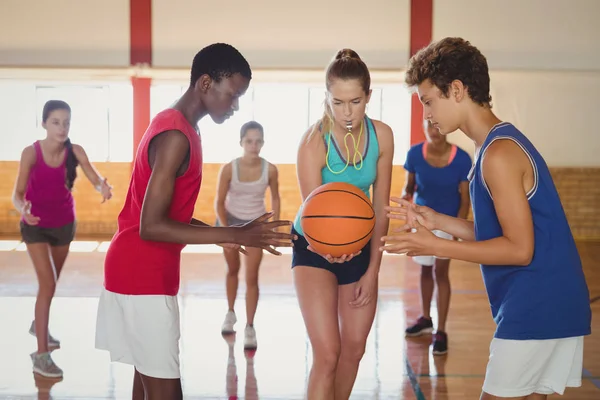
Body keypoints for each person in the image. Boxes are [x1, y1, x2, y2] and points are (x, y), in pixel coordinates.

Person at [381, 37, 591, 400]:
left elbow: (519, 249)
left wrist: (433, 246)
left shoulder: (499, 154)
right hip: (547, 301)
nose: (426, 115)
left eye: (428, 102)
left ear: (458, 90)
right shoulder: (488, 147)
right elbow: (498, 232)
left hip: (538, 303)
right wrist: (439, 222)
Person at [94, 43, 295, 400]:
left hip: (140, 270)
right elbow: (151, 225)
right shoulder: (174, 135)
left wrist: (222, 235)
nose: (235, 106)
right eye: (232, 95)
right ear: (205, 84)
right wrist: (232, 231)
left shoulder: (182, 127)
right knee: (166, 392)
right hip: (142, 275)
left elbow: (174, 215)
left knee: (146, 387)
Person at [292, 49, 394, 400]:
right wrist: (329, 249)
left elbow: (381, 208)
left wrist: (372, 271)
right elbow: (312, 213)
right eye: (337, 102)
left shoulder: (383, 136)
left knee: (353, 349)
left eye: (355, 102)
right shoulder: (312, 142)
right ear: (326, 97)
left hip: (361, 241)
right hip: (313, 244)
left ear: (369, 96)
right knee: (328, 354)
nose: (347, 113)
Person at [12, 99, 112, 378]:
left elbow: (94, 178)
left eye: (66, 122)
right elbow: (17, 194)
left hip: (64, 225)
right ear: (44, 123)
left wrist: (102, 186)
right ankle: (41, 356)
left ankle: (38, 324)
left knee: (50, 285)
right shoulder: (30, 153)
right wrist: (23, 209)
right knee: (48, 283)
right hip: (34, 225)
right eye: (56, 122)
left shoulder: (75, 151)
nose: (62, 127)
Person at [401, 119, 472, 355]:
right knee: (424, 271)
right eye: (429, 126)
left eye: (438, 126)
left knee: (440, 272)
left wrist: (456, 230)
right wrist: (405, 204)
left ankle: (441, 330)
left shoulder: (462, 159)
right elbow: (409, 188)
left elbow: (465, 198)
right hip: (422, 222)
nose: (435, 130)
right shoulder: (414, 154)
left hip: (447, 222)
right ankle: (425, 318)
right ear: (423, 128)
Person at [215, 120, 280, 350]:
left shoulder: (270, 169)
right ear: (241, 142)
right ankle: (230, 313)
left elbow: (275, 198)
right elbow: (219, 203)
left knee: (252, 277)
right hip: (230, 223)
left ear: (263, 143)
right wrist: (226, 231)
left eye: (258, 141)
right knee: (233, 270)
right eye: (249, 141)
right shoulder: (228, 169)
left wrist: (273, 227)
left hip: (255, 226)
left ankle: (250, 327)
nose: (254, 145)